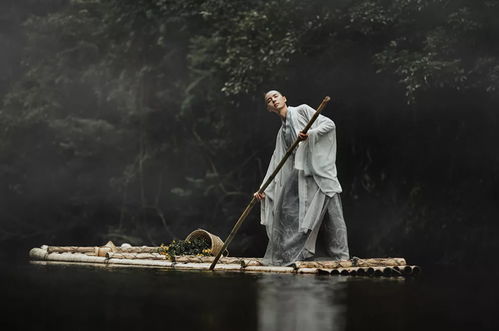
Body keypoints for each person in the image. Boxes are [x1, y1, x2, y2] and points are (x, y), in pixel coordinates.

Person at [254, 90, 350, 266]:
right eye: (269, 100)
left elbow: (329, 125)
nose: (273, 100)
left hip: (318, 171)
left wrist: (310, 134)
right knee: (286, 210)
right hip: (300, 175)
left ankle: (341, 257)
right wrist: (263, 189)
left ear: (284, 98)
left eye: (275, 96)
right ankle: (290, 255)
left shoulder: (302, 110)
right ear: (269, 108)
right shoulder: (281, 133)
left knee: (332, 211)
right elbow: (277, 162)